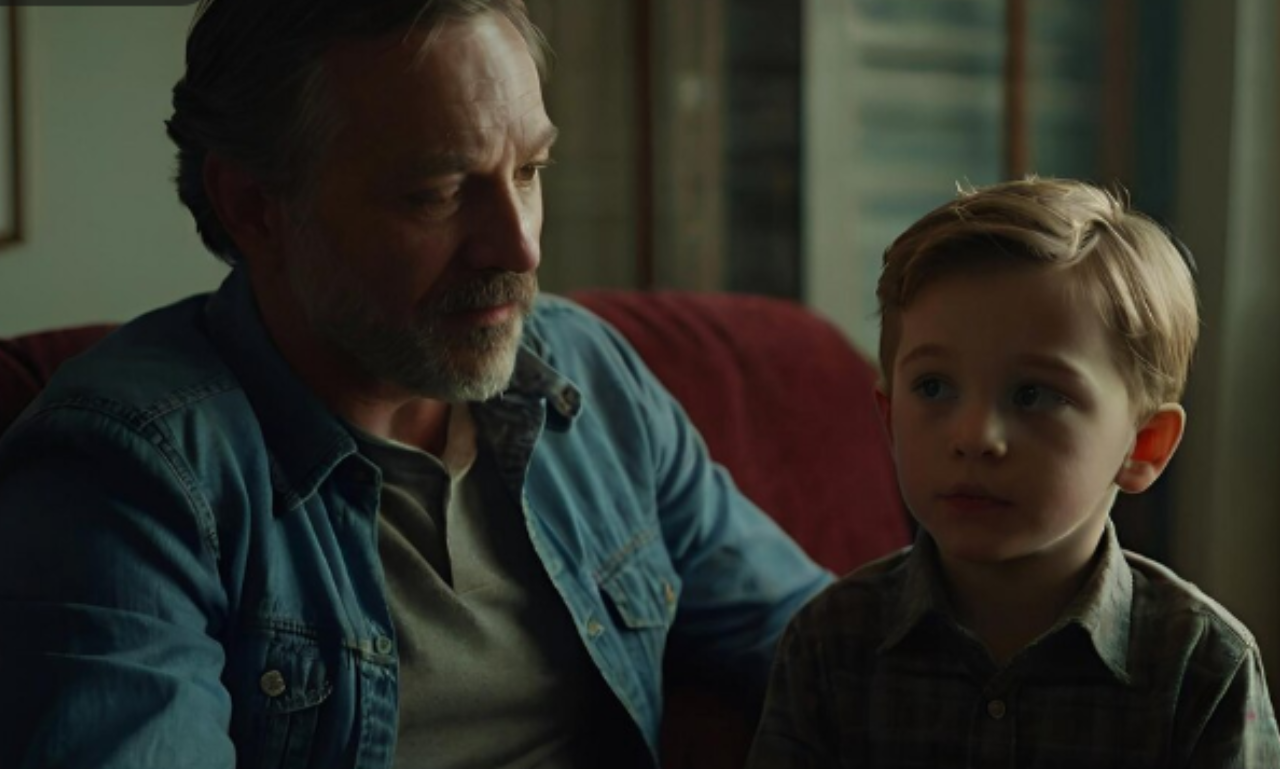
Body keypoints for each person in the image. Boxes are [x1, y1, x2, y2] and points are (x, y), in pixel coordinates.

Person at [0, 1, 833, 767]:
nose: (519, 248)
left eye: (531, 172)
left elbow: (825, 646)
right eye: (438, 192)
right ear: (255, 206)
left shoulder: (585, 375)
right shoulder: (125, 471)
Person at [747, 178, 1280, 767]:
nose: (974, 437)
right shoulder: (828, 643)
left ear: (1144, 444)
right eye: (934, 387)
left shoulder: (1202, 667)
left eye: (1033, 394)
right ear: (890, 418)